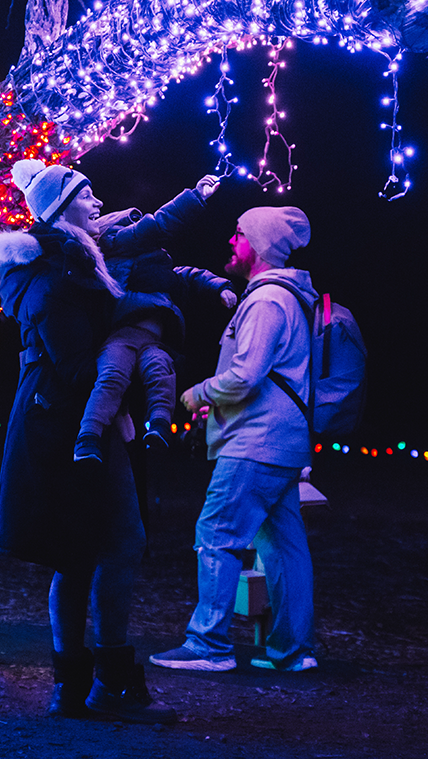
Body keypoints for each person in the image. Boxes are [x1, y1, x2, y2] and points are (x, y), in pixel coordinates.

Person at [0, 158, 174, 724]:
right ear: (63, 210)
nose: (97, 203)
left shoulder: (66, 261)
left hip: (65, 418)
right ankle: (103, 681)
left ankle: (83, 683)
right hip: (70, 421)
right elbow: (75, 365)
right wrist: (117, 405)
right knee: (111, 543)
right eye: (87, 196)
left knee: (84, 552)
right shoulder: (55, 275)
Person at [150, 206, 320, 673]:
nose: (232, 240)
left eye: (240, 233)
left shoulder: (267, 301)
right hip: (284, 441)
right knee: (285, 548)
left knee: (217, 534)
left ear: (260, 246)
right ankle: (292, 651)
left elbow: (246, 375)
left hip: (255, 441)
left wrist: (197, 393)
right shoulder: (292, 297)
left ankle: (209, 645)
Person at [74, 174, 239, 464]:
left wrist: (218, 286)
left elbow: (186, 274)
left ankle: (160, 425)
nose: (139, 230)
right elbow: (161, 222)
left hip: (153, 340)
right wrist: (196, 196)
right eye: (133, 225)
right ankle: (88, 436)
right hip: (122, 336)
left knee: (160, 373)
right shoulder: (117, 255)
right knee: (111, 377)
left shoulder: (154, 264)